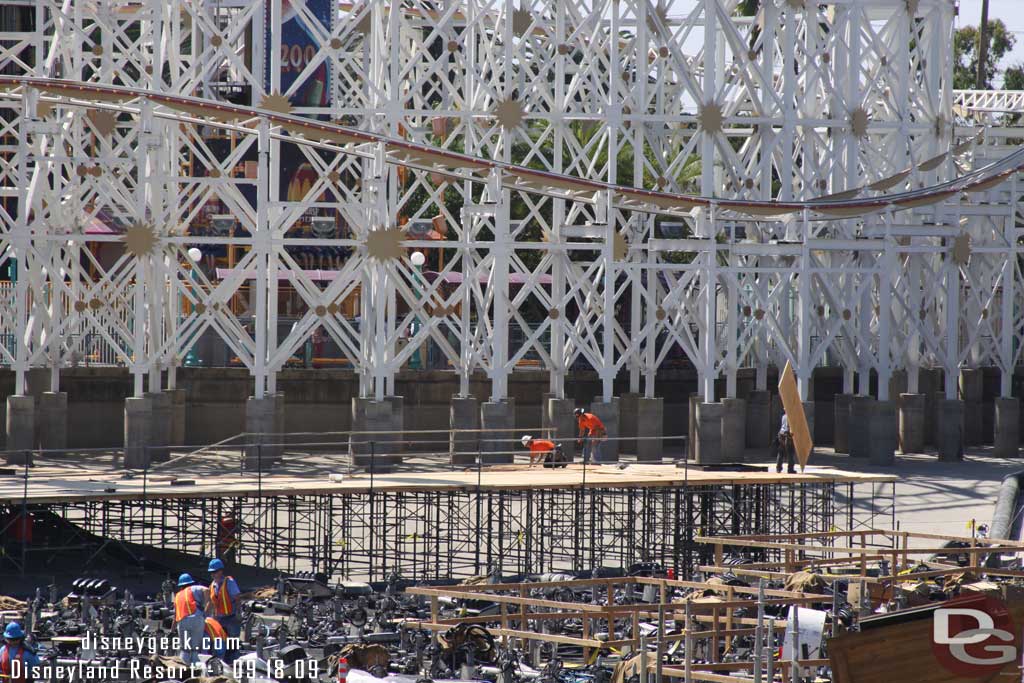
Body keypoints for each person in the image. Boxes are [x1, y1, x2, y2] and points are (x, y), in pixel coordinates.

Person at [173, 573, 209, 666]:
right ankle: (196, 670)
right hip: (196, 619)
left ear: (181, 586)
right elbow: (206, 589)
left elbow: (175, 615)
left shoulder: (177, 596)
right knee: (194, 649)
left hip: (182, 622)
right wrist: (206, 605)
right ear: (190, 583)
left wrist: (172, 630)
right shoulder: (192, 588)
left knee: (185, 649)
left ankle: (184, 670)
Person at [207, 559, 242, 645]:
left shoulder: (229, 582)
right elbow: (210, 602)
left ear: (220, 571)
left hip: (231, 618)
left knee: (233, 644)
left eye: (215, 572)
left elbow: (237, 598)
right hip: (219, 619)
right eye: (211, 572)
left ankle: (234, 657)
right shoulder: (212, 585)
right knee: (220, 644)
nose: (213, 574)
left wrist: (238, 612)